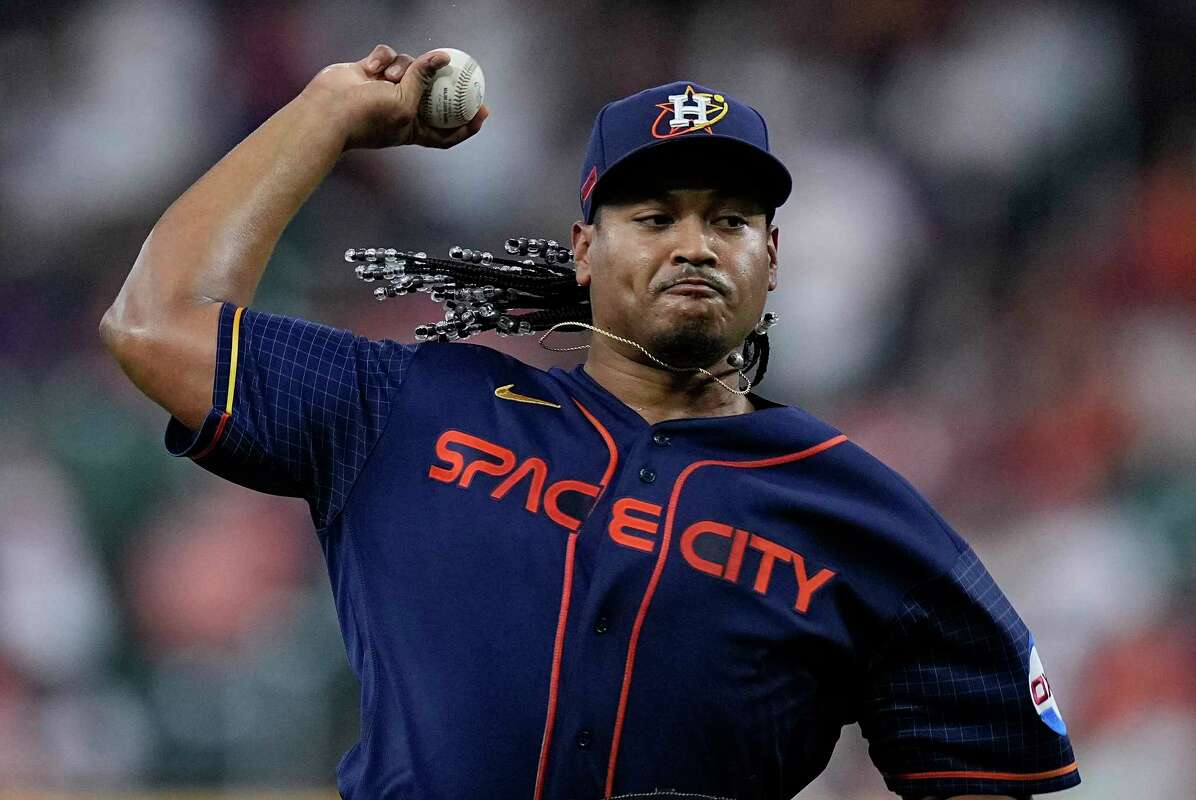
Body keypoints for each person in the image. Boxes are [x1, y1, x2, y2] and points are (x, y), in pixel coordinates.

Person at [101, 44, 1081, 800]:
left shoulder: (860, 513)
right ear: (582, 250)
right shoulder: (409, 406)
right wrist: (323, 114)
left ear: (772, 256)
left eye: (729, 221)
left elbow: (990, 773)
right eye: (653, 218)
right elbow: (156, 324)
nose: (693, 244)